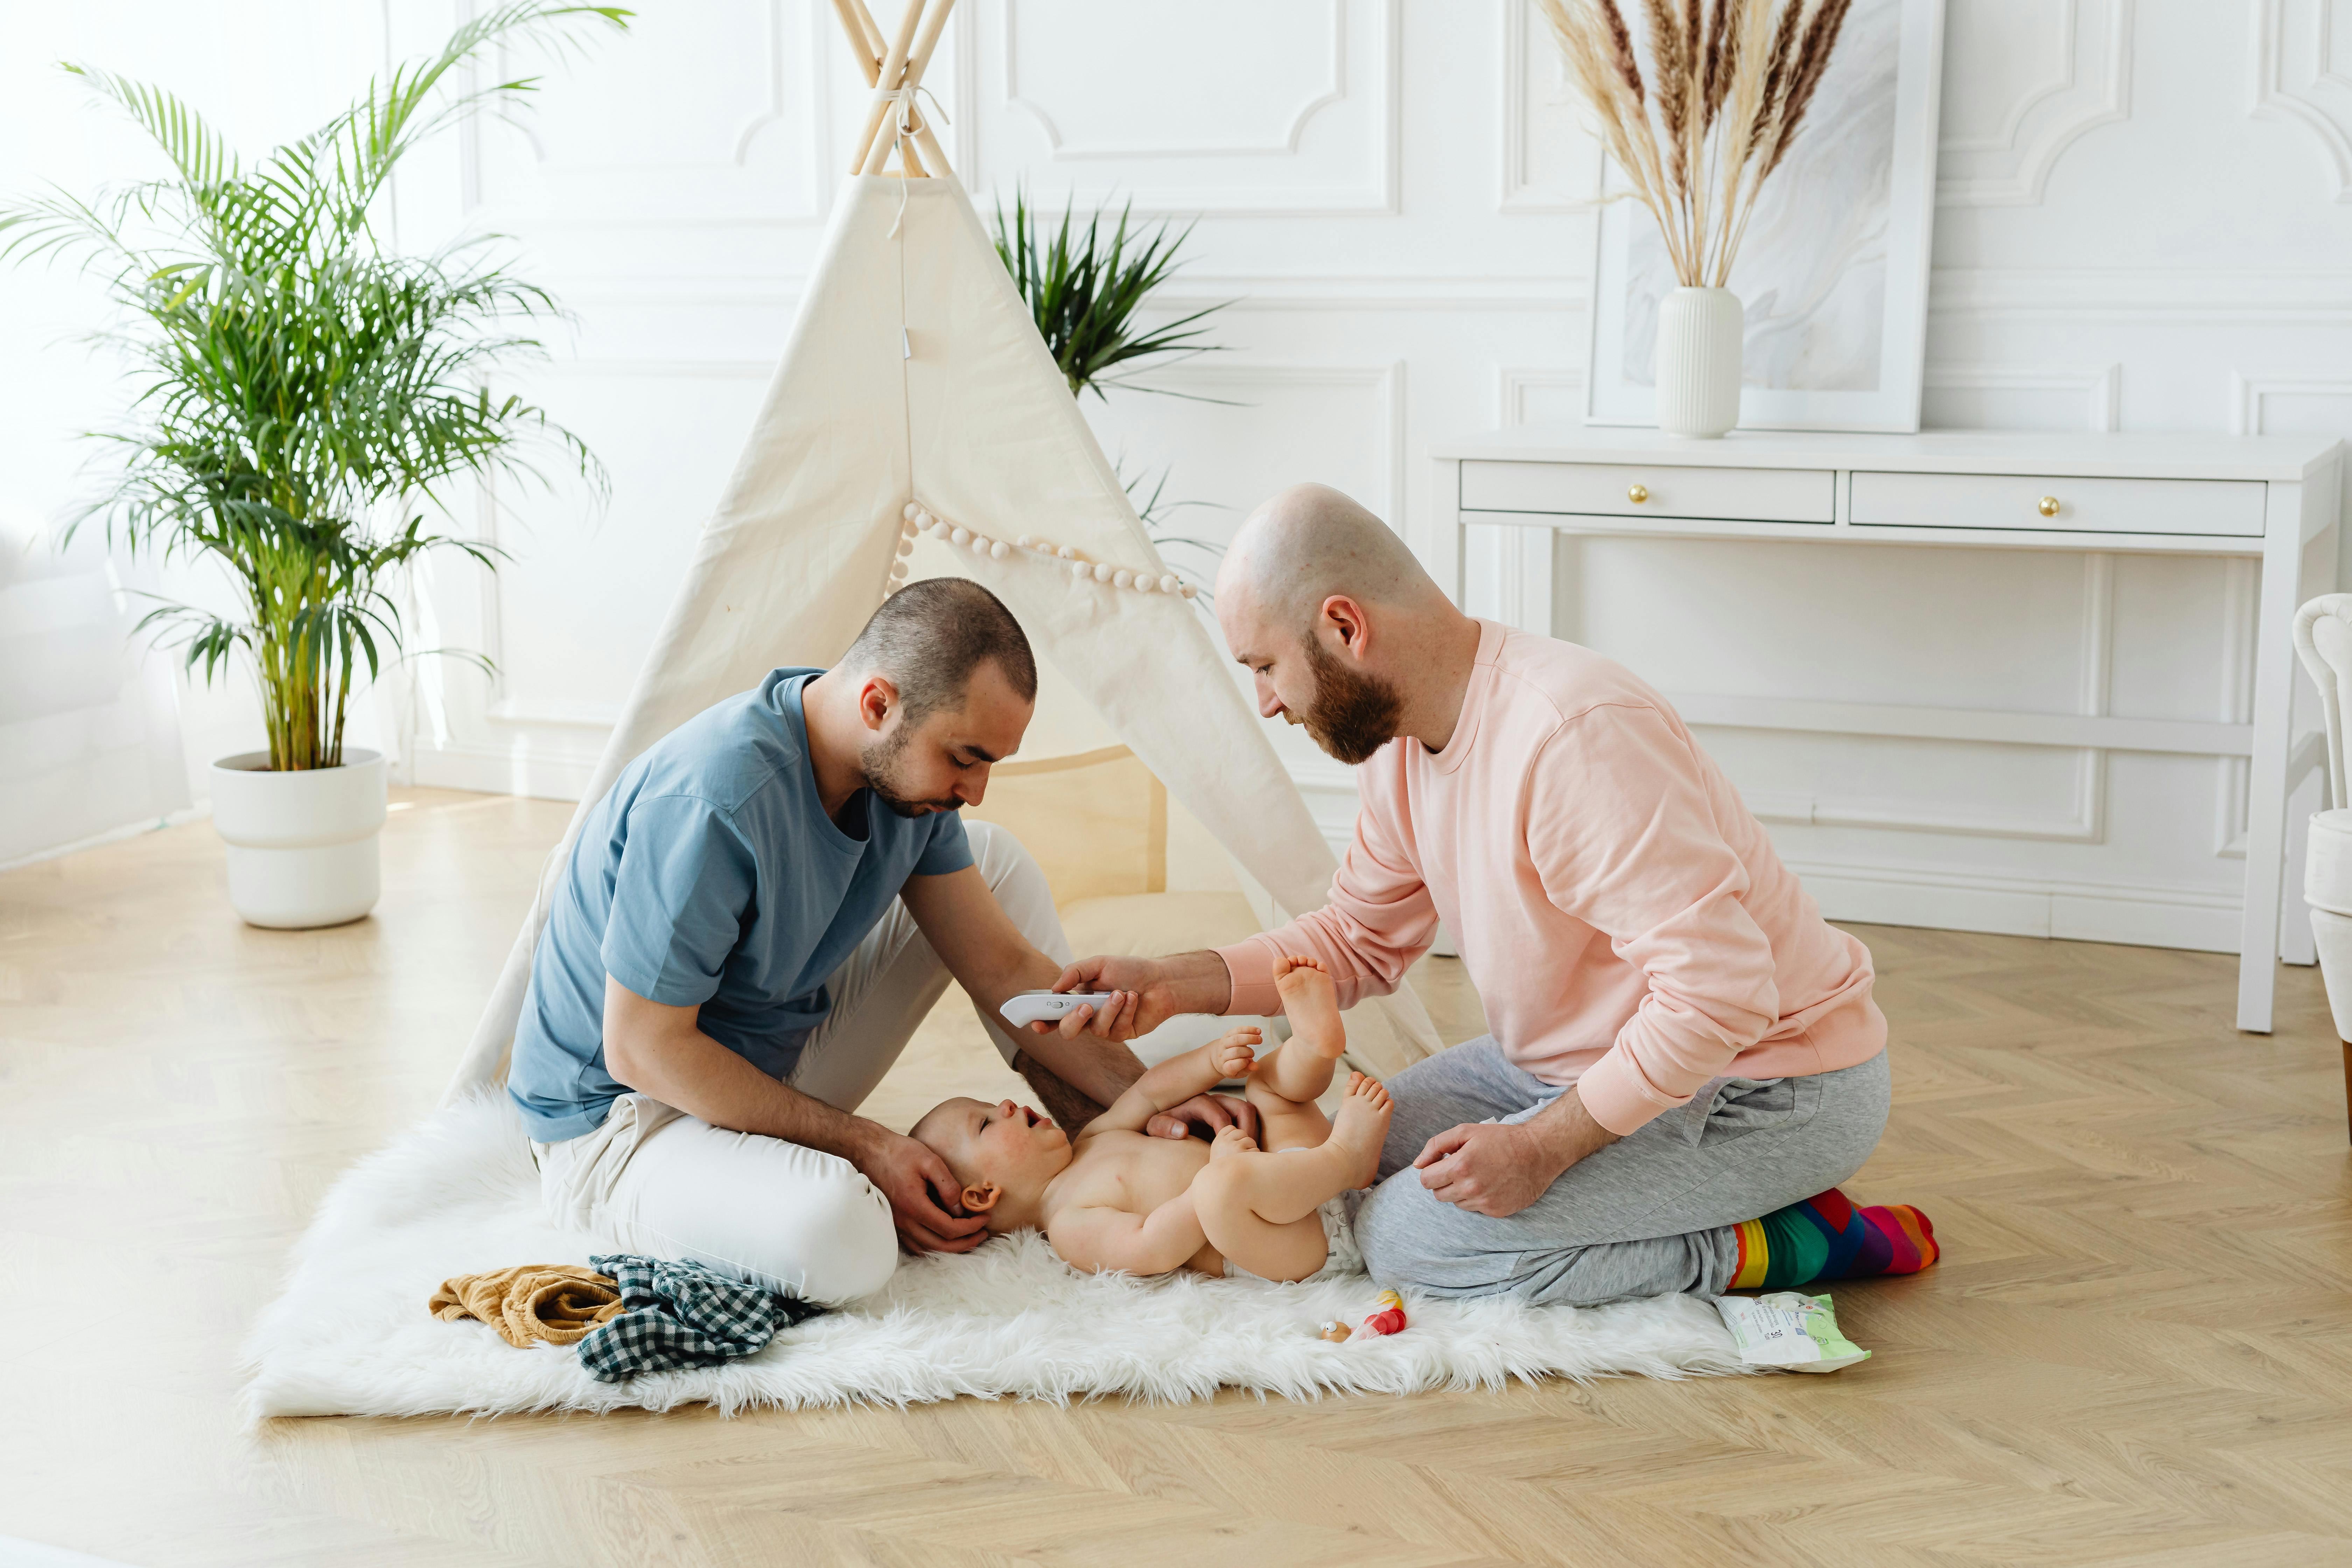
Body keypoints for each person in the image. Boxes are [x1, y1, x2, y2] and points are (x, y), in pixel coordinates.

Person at [1053, 484, 1938, 1304]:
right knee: (1354, 1156)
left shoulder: (1573, 737)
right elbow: (1360, 936)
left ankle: (1786, 1241)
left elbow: (1722, 993)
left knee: (1412, 1242)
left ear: (1343, 626)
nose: (1268, 704)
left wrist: (1544, 1145)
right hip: (1570, 1060)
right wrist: (1172, 981)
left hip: (1767, 1082)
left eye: (1266, 666)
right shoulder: (1401, 744)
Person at [505, 578, 1255, 1306]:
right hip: (623, 1123)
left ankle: (1107, 1146)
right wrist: (867, 1145)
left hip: (760, 1068)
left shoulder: (901, 784)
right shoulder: (713, 802)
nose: (976, 788)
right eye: (966, 756)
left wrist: (1149, 1101)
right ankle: (768, 1188)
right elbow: (644, 1048)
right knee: (848, 1238)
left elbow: (1002, 966)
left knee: (995, 857)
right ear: (878, 703)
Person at [912, 955, 1389, 1283]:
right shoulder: (1068, 1225)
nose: (1007, 1106)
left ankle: (1313, 1047)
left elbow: (1149, 1092)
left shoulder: (1094, 1138)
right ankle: (1349, 1158)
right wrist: (1218, 1171)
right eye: (986, 1124)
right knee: (1219, 1192)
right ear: (981, 1195)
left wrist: (1209, 1062)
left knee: (1266, 1086)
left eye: (992, 1106)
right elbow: (1154, 1247)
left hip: (1294, 1180)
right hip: (1286, 1243)